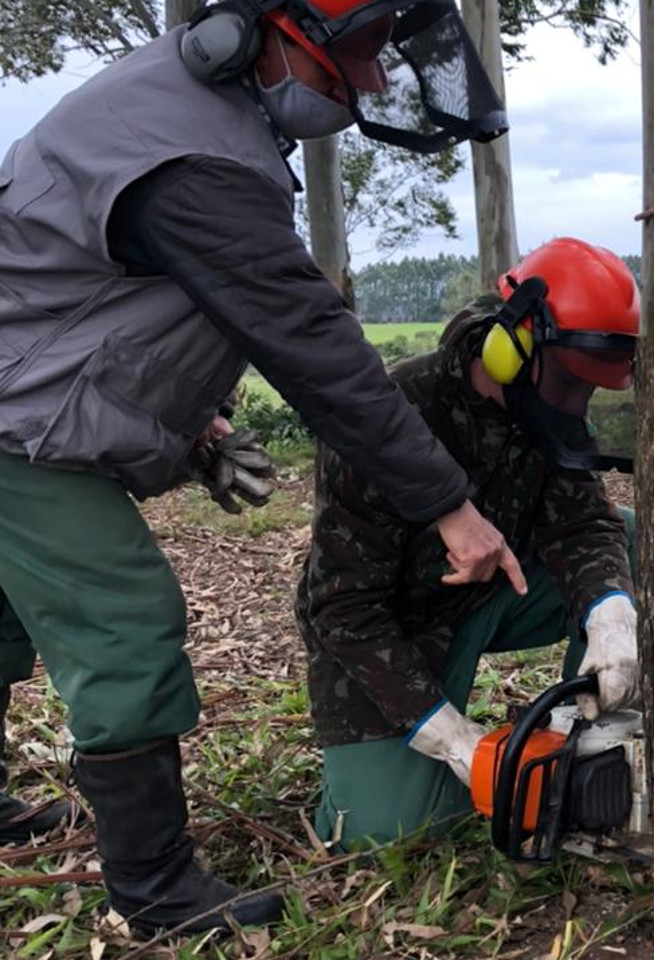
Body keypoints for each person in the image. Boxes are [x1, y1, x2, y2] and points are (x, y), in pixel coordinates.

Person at [0, 0, 507, 935]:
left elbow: (92, 307)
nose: (366, 82)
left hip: (22, 400)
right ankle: (155, 893)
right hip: (14, 431)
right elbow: (309, 344)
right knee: (123, 624)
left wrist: (194, 432)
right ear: (246, 33)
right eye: (351, 53)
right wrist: (447, 503)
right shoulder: (193, 155)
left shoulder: (187, 116)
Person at [296, 237, 640, 850]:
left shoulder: (550, 405)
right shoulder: (389, 418)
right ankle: (428, 772)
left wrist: (612, 621)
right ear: (513, 348)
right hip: (395, 629)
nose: (578, 404)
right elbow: (340, 609)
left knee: (631, 540)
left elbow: (584, 525)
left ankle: (592, 739)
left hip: (495, 599)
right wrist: (456, 740)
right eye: (570, 382)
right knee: (386, 833)